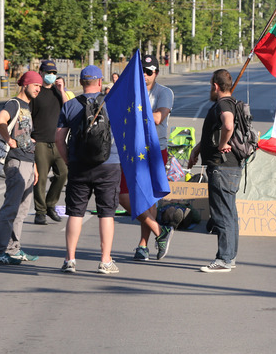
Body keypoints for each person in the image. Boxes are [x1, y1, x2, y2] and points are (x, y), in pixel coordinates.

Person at [57, 65, 121, 275]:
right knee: (106, 213)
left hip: (79, 165)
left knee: (75, 212)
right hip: (108, 164)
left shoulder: (70, 105)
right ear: (100, 82)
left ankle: (70, 259)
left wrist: (68, 159)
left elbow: (59, 137)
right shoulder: (112, 103)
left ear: (82, 82)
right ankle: (105, 261)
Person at [120, 55, 175, 262]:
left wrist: (133, 110)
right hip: (131, 148)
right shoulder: (130, 92)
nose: (145, 75)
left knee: (150, 197)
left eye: (149, 71)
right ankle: (159, 230)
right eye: (142, 71)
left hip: (154, 149)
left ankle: (143, 246)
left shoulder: (163, 92)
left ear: (156, 73)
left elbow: (159, 117)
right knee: (122, 194)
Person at [187, 69, 242, 273]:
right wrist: (198, 149)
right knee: (230, 214)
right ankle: (230, 257)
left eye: (211, 85)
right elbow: (214, 132)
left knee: (222, 215)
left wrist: (222, 144)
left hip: (222, 168)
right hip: (230, 167)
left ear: (216, 86)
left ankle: (224, 259)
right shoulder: (231, 102)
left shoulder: (223, 104)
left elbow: (228, 124)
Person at [0, 71, 42, 265]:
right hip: (16, 162)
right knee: (10, 208)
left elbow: (27, 138)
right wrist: (8, 139)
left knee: (22, 210)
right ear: (25, 84)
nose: (38, 88)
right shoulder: (14, 104)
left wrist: (34, 165)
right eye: (35, 84)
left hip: (28, 162)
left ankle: (12, 249)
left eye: (40, 85)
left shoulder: (28, 106)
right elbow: (0, 120)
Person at [31, 60, 68, 225]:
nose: (51, 76)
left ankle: (50, 205)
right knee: (41, 178)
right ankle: (40, 212)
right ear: (41, 73)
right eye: (48, 73)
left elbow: (69, 109)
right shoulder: (36, 92)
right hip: (40, 141)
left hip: (57, 140)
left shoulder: (58, 92)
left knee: (63, 173)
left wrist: (61, 90)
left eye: (54, 73)